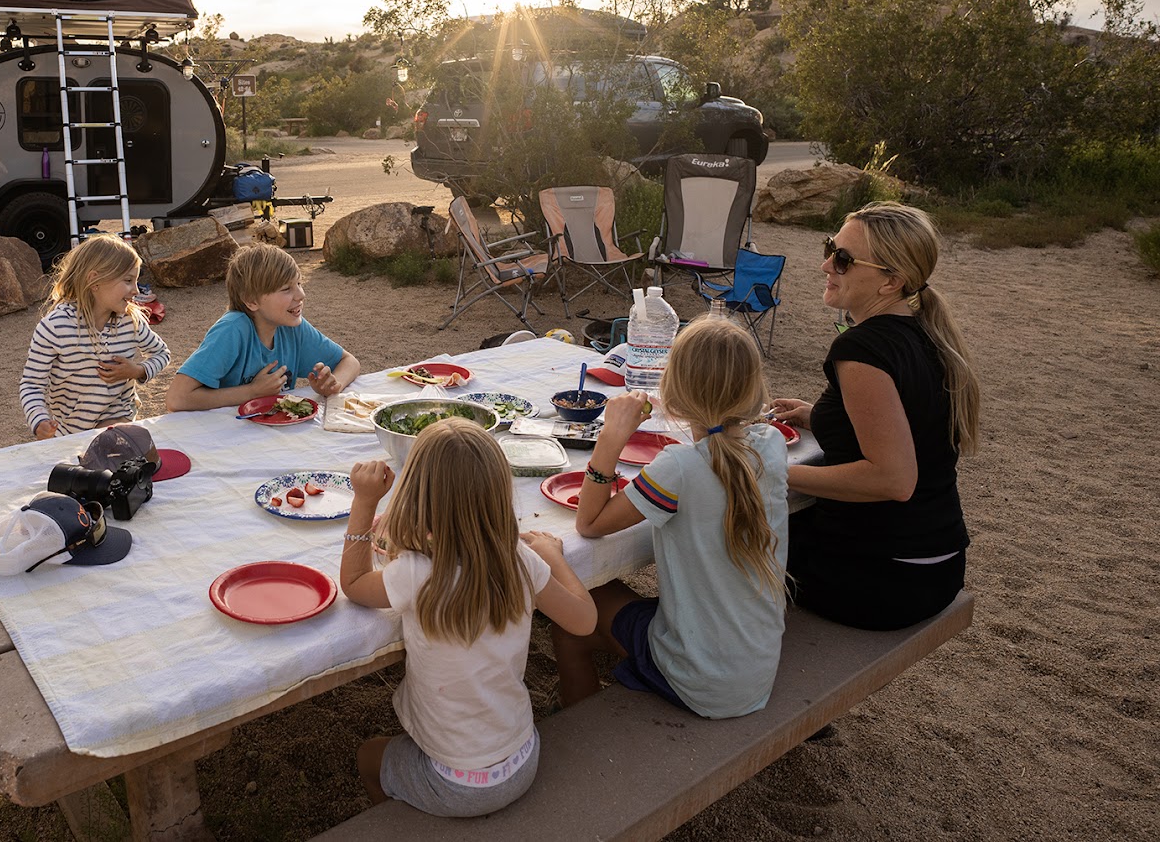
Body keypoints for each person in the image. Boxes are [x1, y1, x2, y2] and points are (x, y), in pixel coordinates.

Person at [340, 419, 597, 817]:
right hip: (522, 758)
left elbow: (354, 582)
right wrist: (554, 558)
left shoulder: (415, 570)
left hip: (454, 782)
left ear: (415, 495)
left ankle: (410, 824)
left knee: (368, 756)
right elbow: (584, 621)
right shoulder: (520, 559)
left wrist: (364, 503)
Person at [552, 316, 790, 717]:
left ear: (672, 392)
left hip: (700, 681)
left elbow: (589, 523)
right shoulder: (772, 444)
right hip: (754, 665)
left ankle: (580, 728)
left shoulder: (679, 467)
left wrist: (612, 436)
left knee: (573, 618)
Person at [768, 201, 980, 630]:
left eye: (843, 259)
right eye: (831, 247)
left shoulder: (861, 350)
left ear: (890, 282)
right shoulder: (923, 332)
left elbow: (893, 479)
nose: (826, 263)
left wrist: (768, 469)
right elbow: (910, 424)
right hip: (936, 564)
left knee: (726, 524)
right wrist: (819, 416)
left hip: (884, 580)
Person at [165, 243, 360, 411]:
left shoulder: (292, 326)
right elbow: (176, 399)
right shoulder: (232, 329)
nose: (301, 295)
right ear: (251, 301)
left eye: (299, 283)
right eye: (286, 289)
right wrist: (252, 392)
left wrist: (334, 385)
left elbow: (349, 362)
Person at [20, 234, 170, 438]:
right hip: (69, 428)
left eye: (136, 281)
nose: (136, 290)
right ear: (94, 280)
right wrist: (39, 421)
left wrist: (138, 370)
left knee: (113, 446)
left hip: (118, 415)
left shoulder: (130, 320)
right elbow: (32, 383)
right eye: (128, 280)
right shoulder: (55, 327)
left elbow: (162, 353)